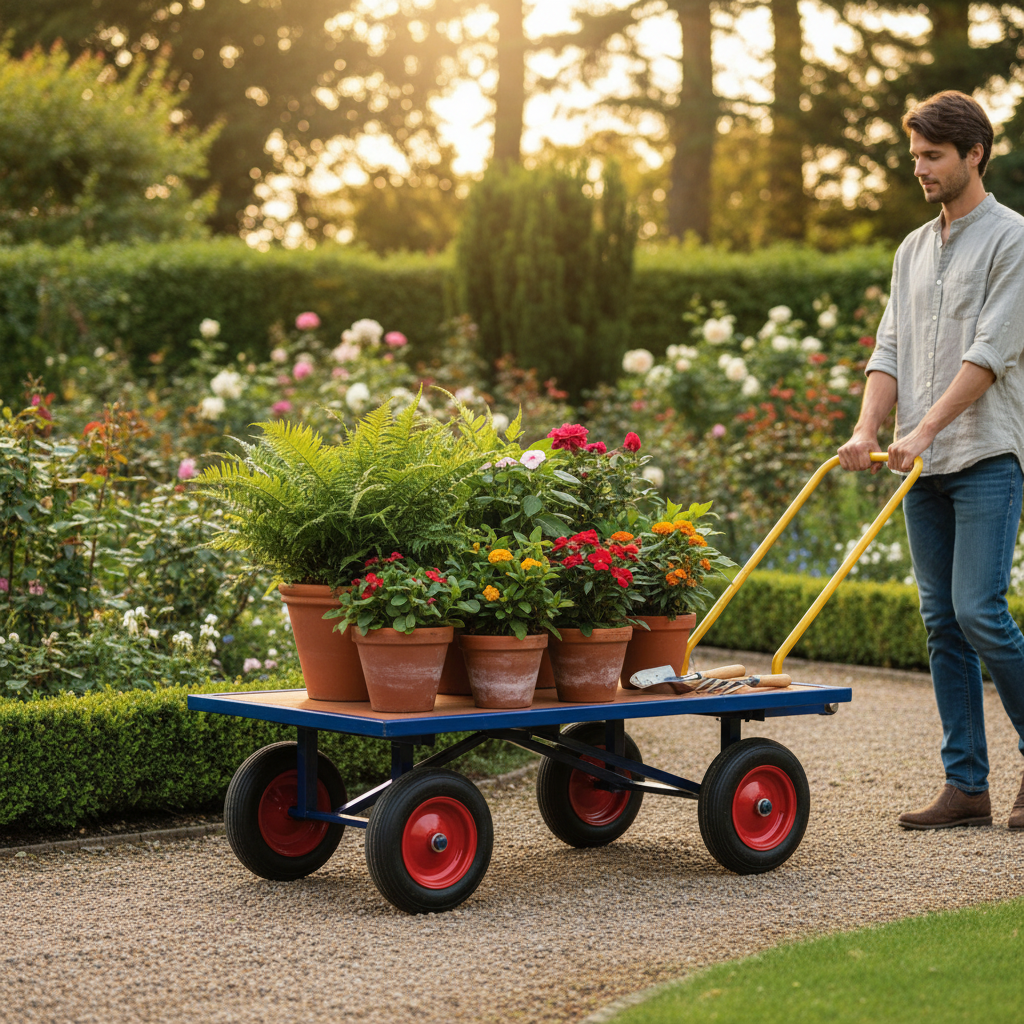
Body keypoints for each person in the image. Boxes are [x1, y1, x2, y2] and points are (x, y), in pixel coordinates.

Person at [838, 90, 1024, 831]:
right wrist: (868, 428)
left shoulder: (1012, 239)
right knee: (941, 621)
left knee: (980, 612)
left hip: (983, 455)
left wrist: (926, 430)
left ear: (974, 153)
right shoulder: (911, 248)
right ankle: (966, 785)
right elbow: (890, 349)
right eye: (914, 155)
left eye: (932, 155)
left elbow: (991, 352)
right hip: (919, 468)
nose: (919, 168)